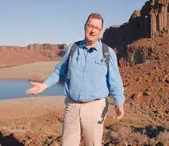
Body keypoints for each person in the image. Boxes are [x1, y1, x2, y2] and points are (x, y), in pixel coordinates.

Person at [26, 13, 125, 146]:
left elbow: (115, 81)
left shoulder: (107, 53)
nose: (92, 30)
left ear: (100, 31)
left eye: (96, 27)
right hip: (72, 106)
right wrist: (43, 85)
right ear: (84, 26)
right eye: (90, 26)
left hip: (95, 108)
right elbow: (59, 72)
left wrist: (119, 104)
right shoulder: (73, 48)